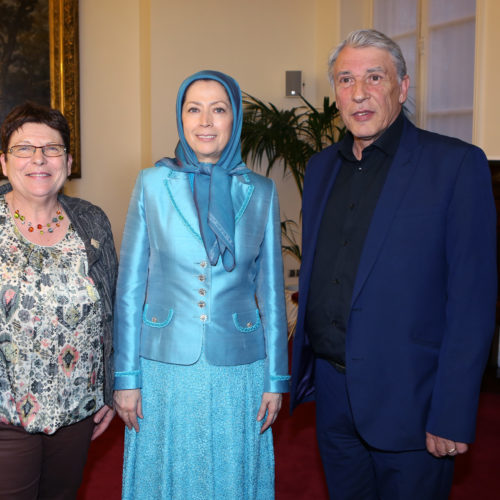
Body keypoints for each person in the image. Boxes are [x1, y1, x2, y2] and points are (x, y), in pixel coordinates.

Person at [290, 29, 497, 500]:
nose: (358, 93)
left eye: (373, 77)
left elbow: (472, 303)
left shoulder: (455, 166)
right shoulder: (321, 167)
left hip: (413, 400)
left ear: (402, 88)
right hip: (333, 394)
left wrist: (452, 411)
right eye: (345, 79)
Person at [113, 70, 290, 499]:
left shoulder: (261, 192)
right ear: (181, 117)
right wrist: (126, 376)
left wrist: (276, 378)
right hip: (164, 365)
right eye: (194, 109)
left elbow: (270, 291)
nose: (206, 121)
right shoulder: (152, 184)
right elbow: (131, 286)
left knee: (230, 476)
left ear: (235, 120)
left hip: (239, 367)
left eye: (219, 109)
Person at [0, 102, 118, 499]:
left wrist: (109, 387)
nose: (39, 158)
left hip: (76, 412)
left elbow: (113, 310)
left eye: (51, 149)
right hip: (5, 416)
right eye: (24, 149)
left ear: (67, 162)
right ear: (3, 162)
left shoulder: (92, 222)